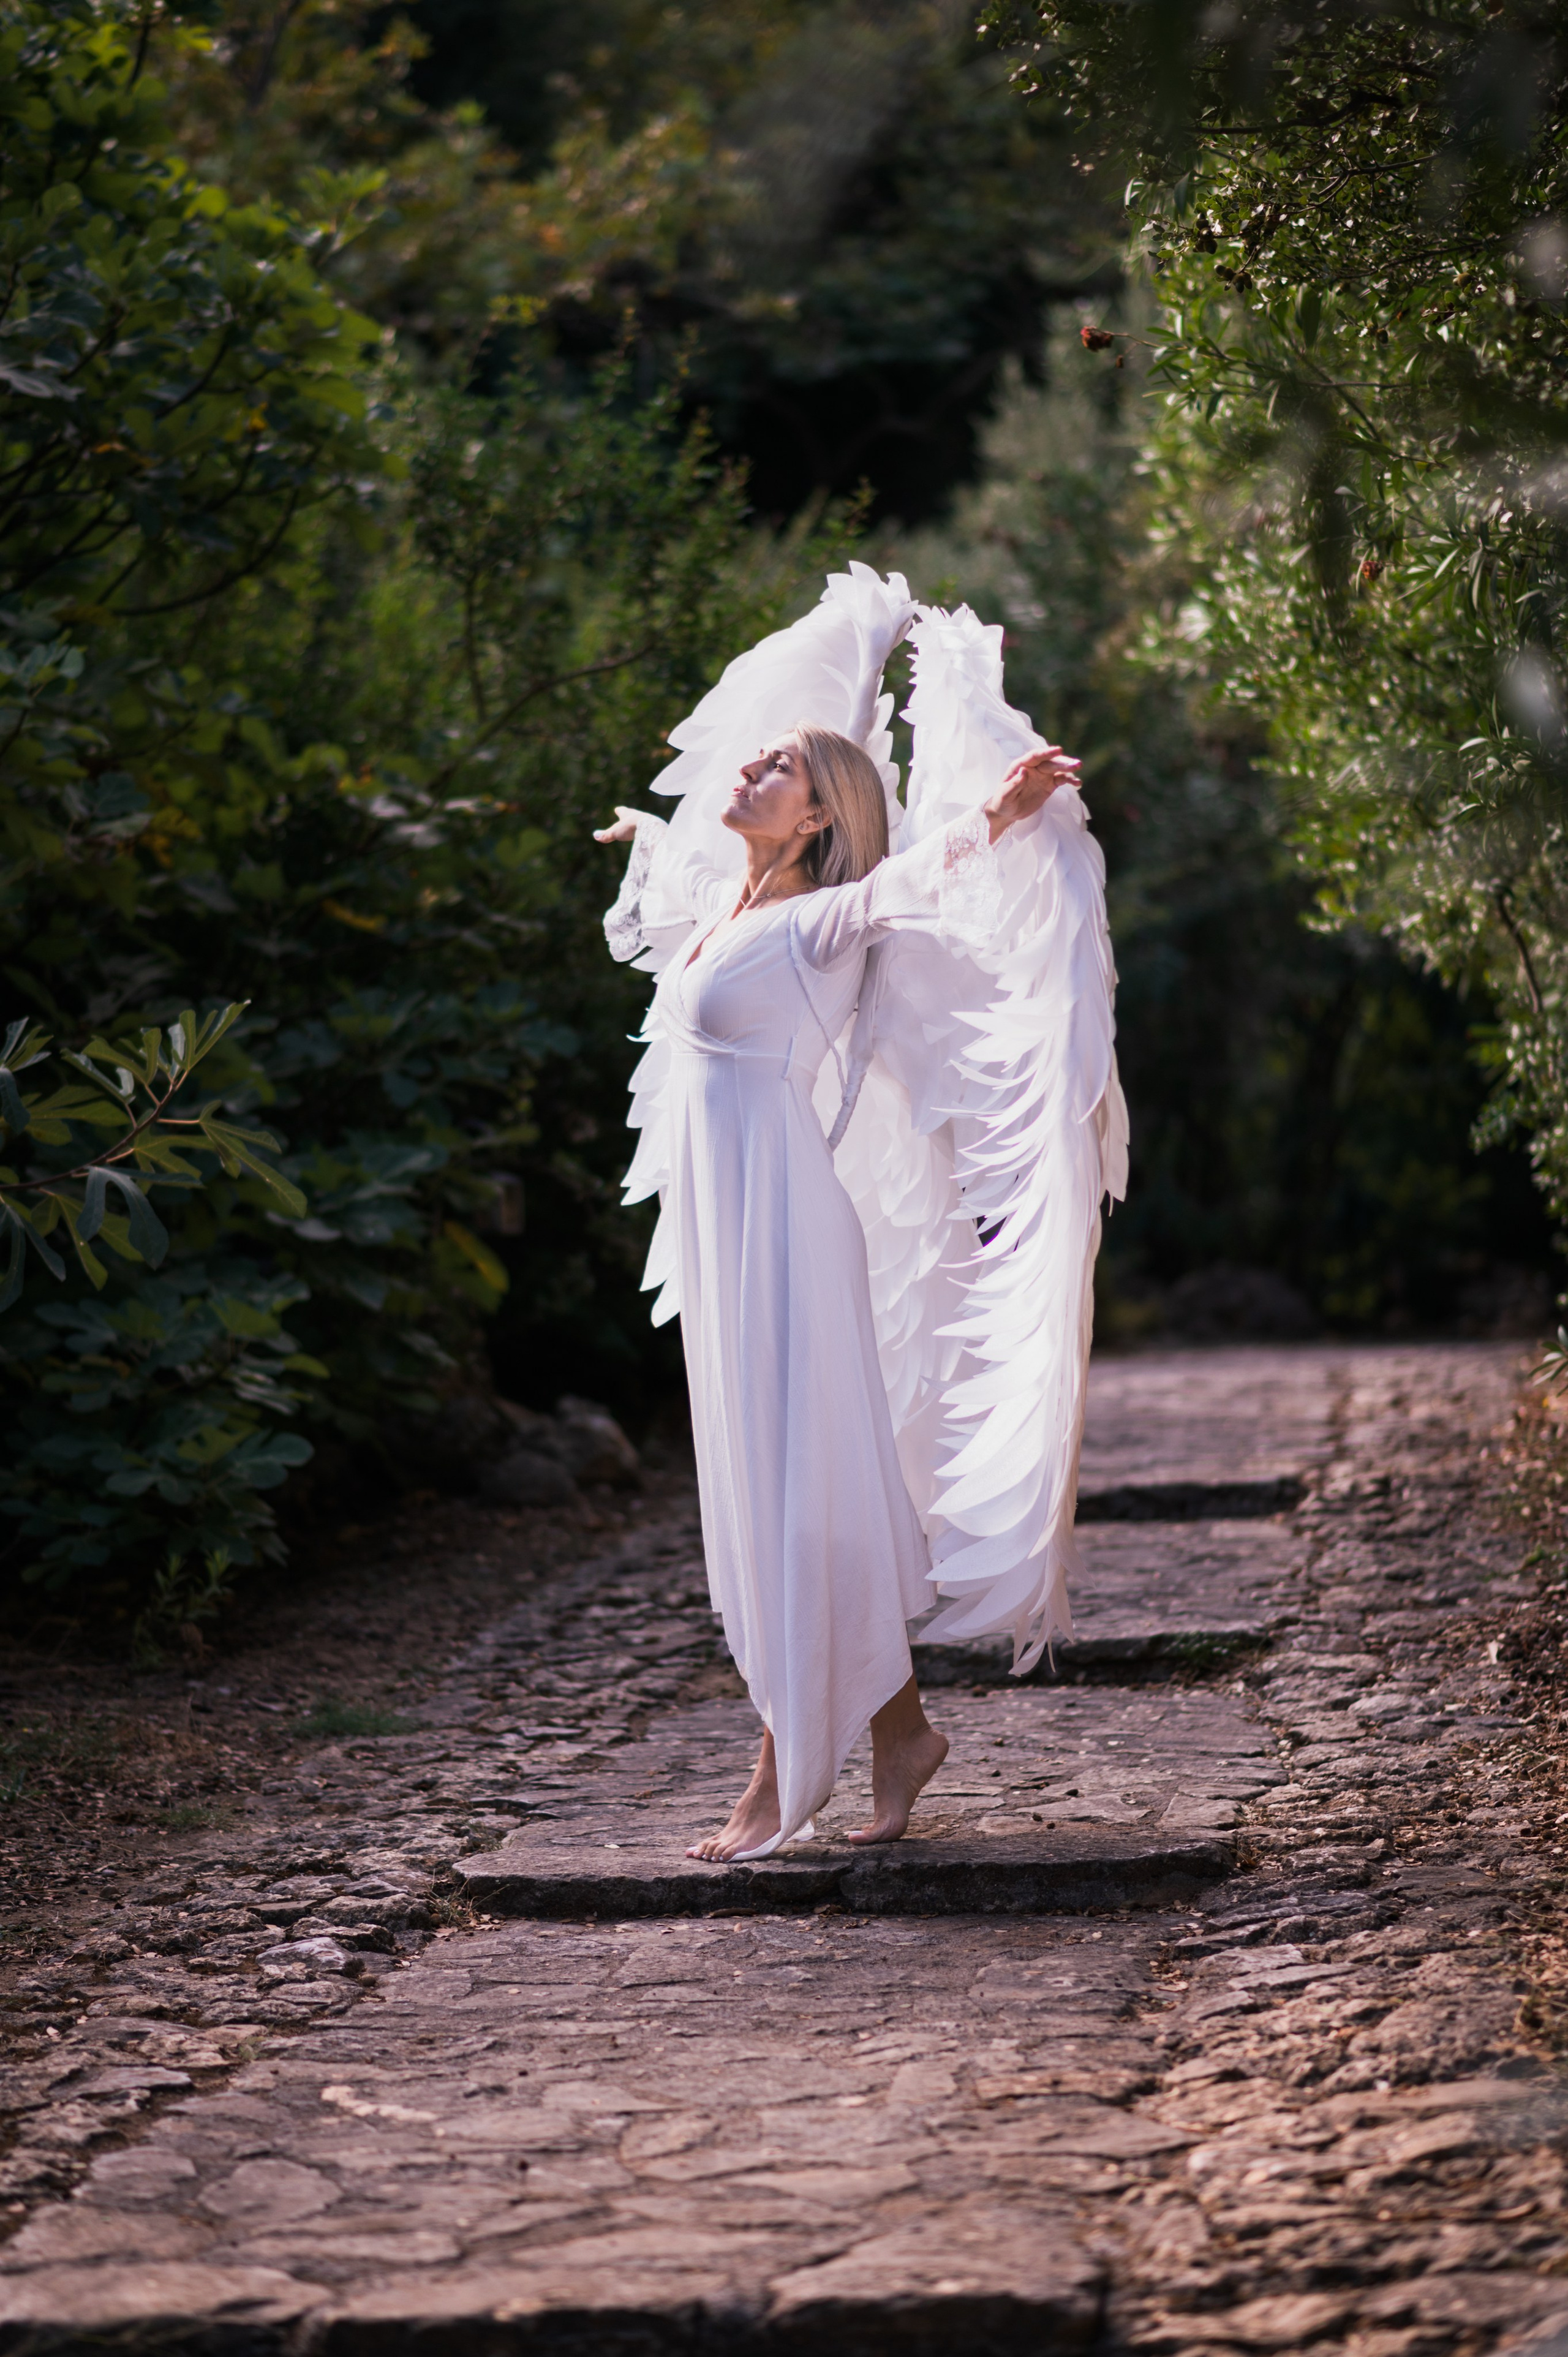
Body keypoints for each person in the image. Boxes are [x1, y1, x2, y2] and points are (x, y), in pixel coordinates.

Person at [596, 567, 1125, 1863]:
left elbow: (917, 880)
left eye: (778, 766)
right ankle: (898, 1733)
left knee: (804, 1493)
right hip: (729, 1235)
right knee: (777, 1490)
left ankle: (781, 1768)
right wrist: (650, 839)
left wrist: (999, 809)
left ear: (820, 813)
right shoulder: (730, 916)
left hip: (784, 1231)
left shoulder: (825, 921)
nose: (749, 767)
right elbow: (683, 950)